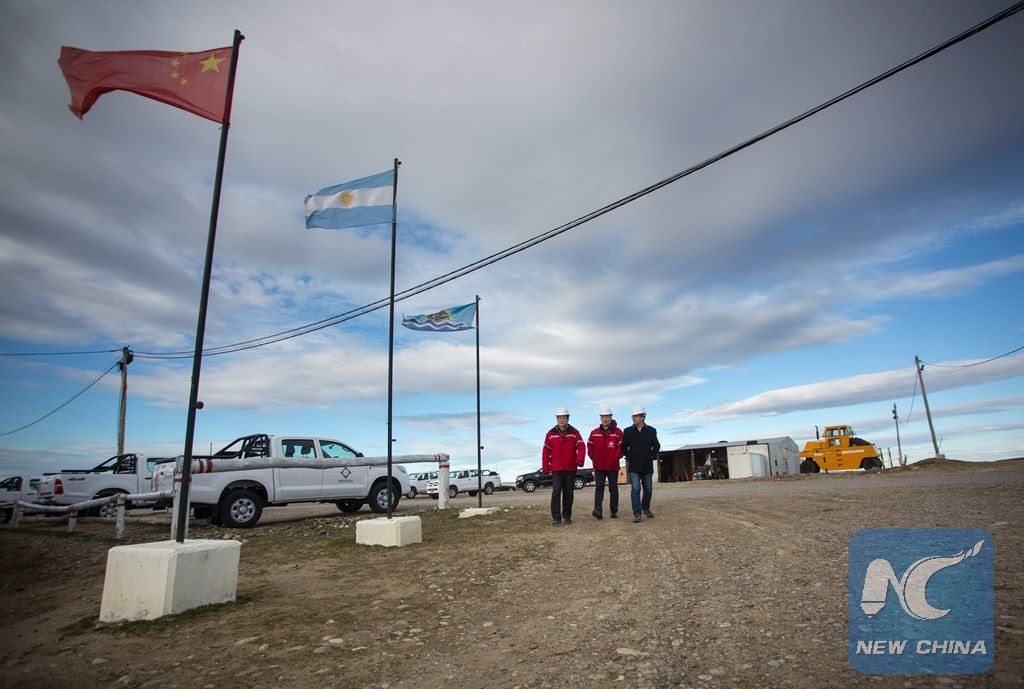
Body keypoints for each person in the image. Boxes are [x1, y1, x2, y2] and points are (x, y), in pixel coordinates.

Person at [542, 406, 586, 526]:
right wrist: (545, 466)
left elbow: (581, 446)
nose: (561, 420)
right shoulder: (550, 434)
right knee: (556, 492)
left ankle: (567, 516)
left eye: (564, 418)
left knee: (568, 493)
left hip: (570, 468)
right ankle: (556, 518)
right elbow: (546, 451)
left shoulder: (574, 433)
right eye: (559, 418)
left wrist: (580, 460)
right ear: (557, 419)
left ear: (568, 419)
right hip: (556, 468)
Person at [621, 405, 660, 523]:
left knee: (648, 489)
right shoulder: (627, 431)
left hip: (647, 465)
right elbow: (623, 447)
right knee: (636, 489)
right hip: (634, 466)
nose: (634, 418)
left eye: (636, 416)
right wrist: (630, 457)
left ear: (643, 417)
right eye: (633, 416)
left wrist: (652, 455)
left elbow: (657, 445)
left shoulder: (651, 430)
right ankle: (637, 513)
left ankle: (645, 507)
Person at [587, 406, 623, 520]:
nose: (605, 419)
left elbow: (621, 448)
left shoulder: (618, 432)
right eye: (603, 417)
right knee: (599, 488)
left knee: (613, 489)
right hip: (599, 467)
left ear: (611, 417)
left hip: (612, 466)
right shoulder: (594, 433)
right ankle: (598, 510)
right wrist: (594, 458)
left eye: (607, 416)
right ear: (600, 418)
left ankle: (614, 510)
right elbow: (590, 446)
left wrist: (614, 458)